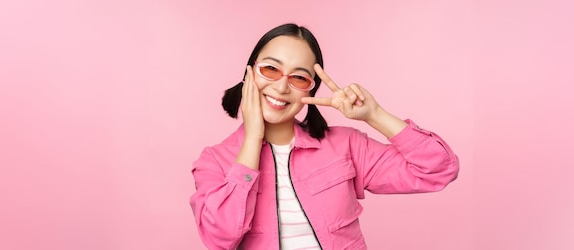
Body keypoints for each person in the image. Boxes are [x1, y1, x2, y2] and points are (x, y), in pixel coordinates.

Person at [189, 23, 459, 250]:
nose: (282, 86)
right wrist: (253, 138)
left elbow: (438, 169)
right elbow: (220, 236)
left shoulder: (346, 146)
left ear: (311, 89)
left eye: (299, 78)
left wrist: (374, 114)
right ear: (249, 73)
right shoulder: (215, 160)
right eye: (271, 70)